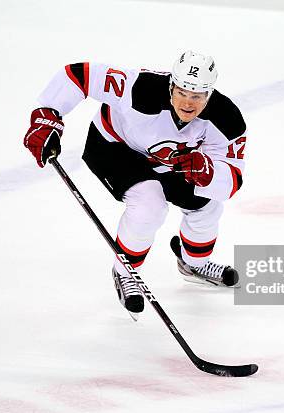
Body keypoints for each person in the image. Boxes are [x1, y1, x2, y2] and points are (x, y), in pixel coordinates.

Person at [24, 51, 247, 319]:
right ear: (171, 85)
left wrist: (208, 173)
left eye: (197, 96)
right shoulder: (138, 88)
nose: (188, 102)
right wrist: (48, 114)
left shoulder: (226, 119)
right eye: (182, 92)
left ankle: (194, 264)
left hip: (168, 161)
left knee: (207, 206)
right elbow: (78, 75)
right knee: (149, 204)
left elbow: (232, 179)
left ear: (209, 94)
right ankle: (125, 272)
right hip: (114, 148)